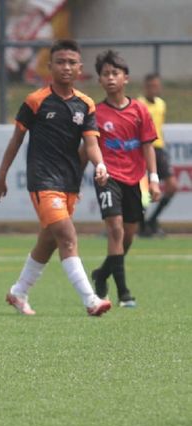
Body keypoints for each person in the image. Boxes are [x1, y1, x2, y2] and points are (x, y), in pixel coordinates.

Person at [0, 39, 112, 317]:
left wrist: (100, 165)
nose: (66, 67)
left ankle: (18, 292)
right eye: (60, 62)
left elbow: (91, 144)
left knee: (48, 242)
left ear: (80, 68)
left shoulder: (86, 105)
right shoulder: (36, 101)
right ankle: (91, 300)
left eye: (71, 63)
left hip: (69, 182)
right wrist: (1, 176)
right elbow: (16, 140)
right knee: (67, 237)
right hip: (42, 181)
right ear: (50, 66)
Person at [88, 51, 161, 308]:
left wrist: (153, 178)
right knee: (115, 229)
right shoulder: (95, 113)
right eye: (105, 74)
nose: (110, 78)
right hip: (108, 178)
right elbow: (89, 145)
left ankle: (101, 273)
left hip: (134, 180)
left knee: (128, 235)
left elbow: (148, 146)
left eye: (115, 73)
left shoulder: (139, 110)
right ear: (100, 80)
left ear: (125, 78)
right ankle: (123, 292)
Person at [138, 73, 177, 236]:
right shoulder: (139, 104)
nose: (154, 89)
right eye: (151, 86)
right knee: (144, 191)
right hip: (143, 149)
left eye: (157, 85)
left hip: (159, 149)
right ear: (146, 87)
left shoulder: (161, 104)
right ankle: (142, 226)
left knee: (172, 186)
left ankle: (152, 220)